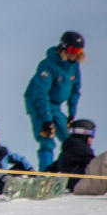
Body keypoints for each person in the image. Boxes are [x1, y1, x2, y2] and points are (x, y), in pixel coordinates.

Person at [24, 31, 84, 170]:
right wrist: (47, 120)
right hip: (38, 103)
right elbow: (41, 93)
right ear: (63, 48)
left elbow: (75, 90)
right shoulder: (48, 65)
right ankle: (46, 173)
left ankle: (74, 171)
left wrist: (72, 114)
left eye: (78, 51)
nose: (74, 54)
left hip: (55, 105)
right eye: (72, 50)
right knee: (47, 139)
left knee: (69, 139)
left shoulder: (74, 67)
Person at [50, 118, 96, 193]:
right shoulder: (80, 147)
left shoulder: (69, 148)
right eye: (92, 134)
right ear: (84, 134)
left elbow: (54, 167)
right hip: (82, 184)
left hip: (75, 185)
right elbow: (93, 163)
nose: (92, 138)